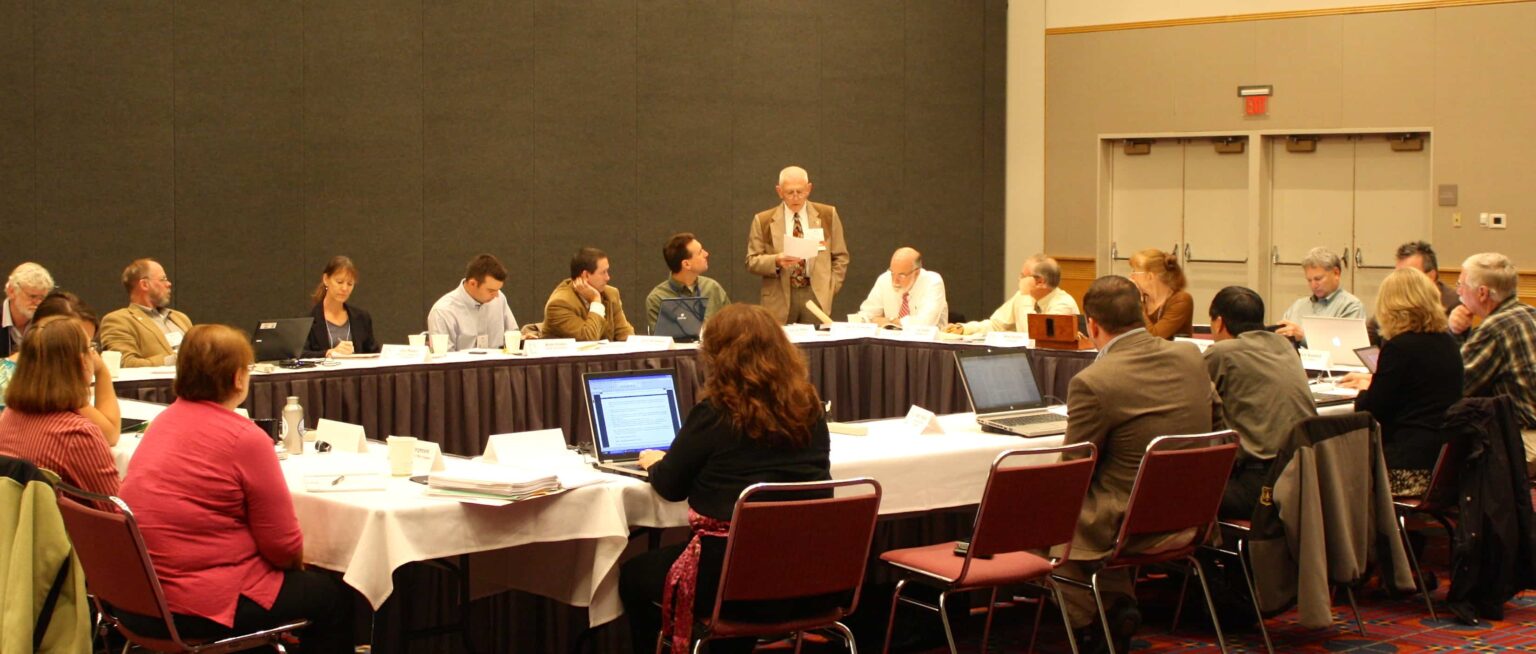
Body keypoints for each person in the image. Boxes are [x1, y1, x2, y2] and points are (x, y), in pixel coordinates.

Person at [117, 325, 353, 653]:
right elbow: (282, 546)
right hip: (194, 606)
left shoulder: (162, 423)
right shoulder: (244, 438)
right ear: (238, 378)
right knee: (330, 595)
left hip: (137, 598)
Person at [619, 304, 832, 654]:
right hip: (806, 577)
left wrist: (658, 463)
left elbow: (670, 487)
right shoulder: (809, 408)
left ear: (717, 356)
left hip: (730, 581)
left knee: (634, 575)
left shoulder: (716, 413)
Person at [1057, 275, 1219, 652]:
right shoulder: (1191, 357)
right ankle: (1114, 606)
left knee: (1041, 519)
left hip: (1131, 522)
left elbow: (1073, 470)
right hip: (1193, 512)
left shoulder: (1093, 381)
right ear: (1143, 312)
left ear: (1091, 325)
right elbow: (1219, 423)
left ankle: (1095, 619)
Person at [1338, 268, 1463, 496]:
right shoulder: (1449, 344)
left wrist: (1365, 392)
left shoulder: (1399, 348)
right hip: (1444, 466)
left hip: (1406, 466)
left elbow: (1372, 411)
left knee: (1334, 472)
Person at [1203, 286, 1315, 519]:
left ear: (1219, 322)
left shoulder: (1222, 353)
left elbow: (1187, 401)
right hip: (1304, 478)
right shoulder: (1285, 345)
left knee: (1174, 492)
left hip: (1259, 487)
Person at [0, 316, 119, 498]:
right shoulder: (77, 434)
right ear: (82, 362)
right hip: (61, 517)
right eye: (91, 348)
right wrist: (102, 370)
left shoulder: (8, 416)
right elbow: (114, 506)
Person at [1447, 253, 1536, 475]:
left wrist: (1454, 334)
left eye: (1461, 284)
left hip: (1526, 441)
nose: (1458, 292)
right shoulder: (1529, 314)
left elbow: (1456, 387)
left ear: (1482, 293)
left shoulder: (1495, 328)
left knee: (1446, 448)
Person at [745, 166, 851, 324]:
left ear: (809, 189)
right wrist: (776, 260)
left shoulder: (827, 215)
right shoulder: (763, 220)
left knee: (817, 338)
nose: (795, 197)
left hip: (816, 293)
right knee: (781, 339)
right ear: (779, 191)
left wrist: (830, 287)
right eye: (789, 192)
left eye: (800, 191)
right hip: (779, 295)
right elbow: (752, 261)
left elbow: (840, 256)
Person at [946, 254, 1079, 336]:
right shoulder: (1021, 297)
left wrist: (1027, 300)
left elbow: (1039, 338)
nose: (1019, 279)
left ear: (1040, 281)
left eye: (1023, 276)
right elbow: (996, 325)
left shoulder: (1063, 305)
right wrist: (965, 328)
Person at [99, 258, 193, 367]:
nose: (169, 284)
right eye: (163, 279)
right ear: (144, 284)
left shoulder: (180, 317)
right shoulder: (118, 320)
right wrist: (176, 360)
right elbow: (126, 364)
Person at [1367, 241, 1461, 342]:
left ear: (1431, 276)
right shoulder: (1394, 300)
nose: (1400, 284)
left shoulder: (1453, 303)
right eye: (1398, 276)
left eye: (1409, 276)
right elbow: (1370, 332)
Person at [427, 254, 519, 351]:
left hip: (499, 360)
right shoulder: (442, 311)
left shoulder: (500, 299)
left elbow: (513, 334)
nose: (496, 295)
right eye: (491, 291)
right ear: (472, 284)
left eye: (498, 290)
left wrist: (521, 339)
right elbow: (443, 357)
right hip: (461, 361)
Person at [1275, 247, 1365, 344]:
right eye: (1309, 280)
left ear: (1336, 273)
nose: (1313, 285)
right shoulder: (1297, 306)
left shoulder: (1351, 306)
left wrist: (1303, 337)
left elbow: (1344, 346)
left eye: (1318, 279)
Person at [543, 247, 635, 341]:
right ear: (586, 275)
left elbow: (626, 335)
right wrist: (596, 300)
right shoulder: (559, 304)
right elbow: (588, 339)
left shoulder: (610, 294)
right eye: (603, 272)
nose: (608, 277)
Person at [644, 233, 730, 332]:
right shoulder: (657, 298)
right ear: (686, 264)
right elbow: (662, 338)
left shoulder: (712, 287)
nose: (706, 254)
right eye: (700, 252)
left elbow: (732, 326)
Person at [302, 256, 380, 358]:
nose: (344, 288)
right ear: (326, 279)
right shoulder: (308, 320)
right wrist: (328, 353)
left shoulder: (362, 318)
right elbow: (300, 354)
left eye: (350, 284)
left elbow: (374, 354)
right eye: (339, 282)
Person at [856, 247, 948, 328]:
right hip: (890, 341)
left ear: (916, 273)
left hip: (927, 342)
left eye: (902, 275)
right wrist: (862, 320)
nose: (895, 281)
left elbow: (925, 324)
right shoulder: (884, 279)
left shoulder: (933, 282)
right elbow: (867, 315)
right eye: (892, 273)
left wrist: (890, 321)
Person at [1128, 248, 1192, 339]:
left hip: (1169, 348)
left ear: (1149, 276)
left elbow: (1153, 338)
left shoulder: (1181, 300)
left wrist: (1137, 302)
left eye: (1134, 271)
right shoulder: (1143, 298)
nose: (1131, 276)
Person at [2, 262, 54, 355]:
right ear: (11, 291)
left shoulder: (50, 323)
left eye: (42, 297)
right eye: (32, 296)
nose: (38, 303)